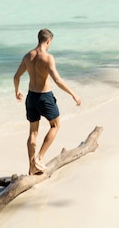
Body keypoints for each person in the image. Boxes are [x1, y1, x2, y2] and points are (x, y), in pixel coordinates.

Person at [13, 28, 81, 175]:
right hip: (45, 97)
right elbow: (57, 79)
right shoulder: (48, 57)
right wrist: (73, 94)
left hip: (31, 97)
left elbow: (16, 76)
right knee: (55, 125)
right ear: (48, 41)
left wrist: (17, 91)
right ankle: (40, 158)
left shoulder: (27, 56)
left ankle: (31, 167)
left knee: (33, 133)